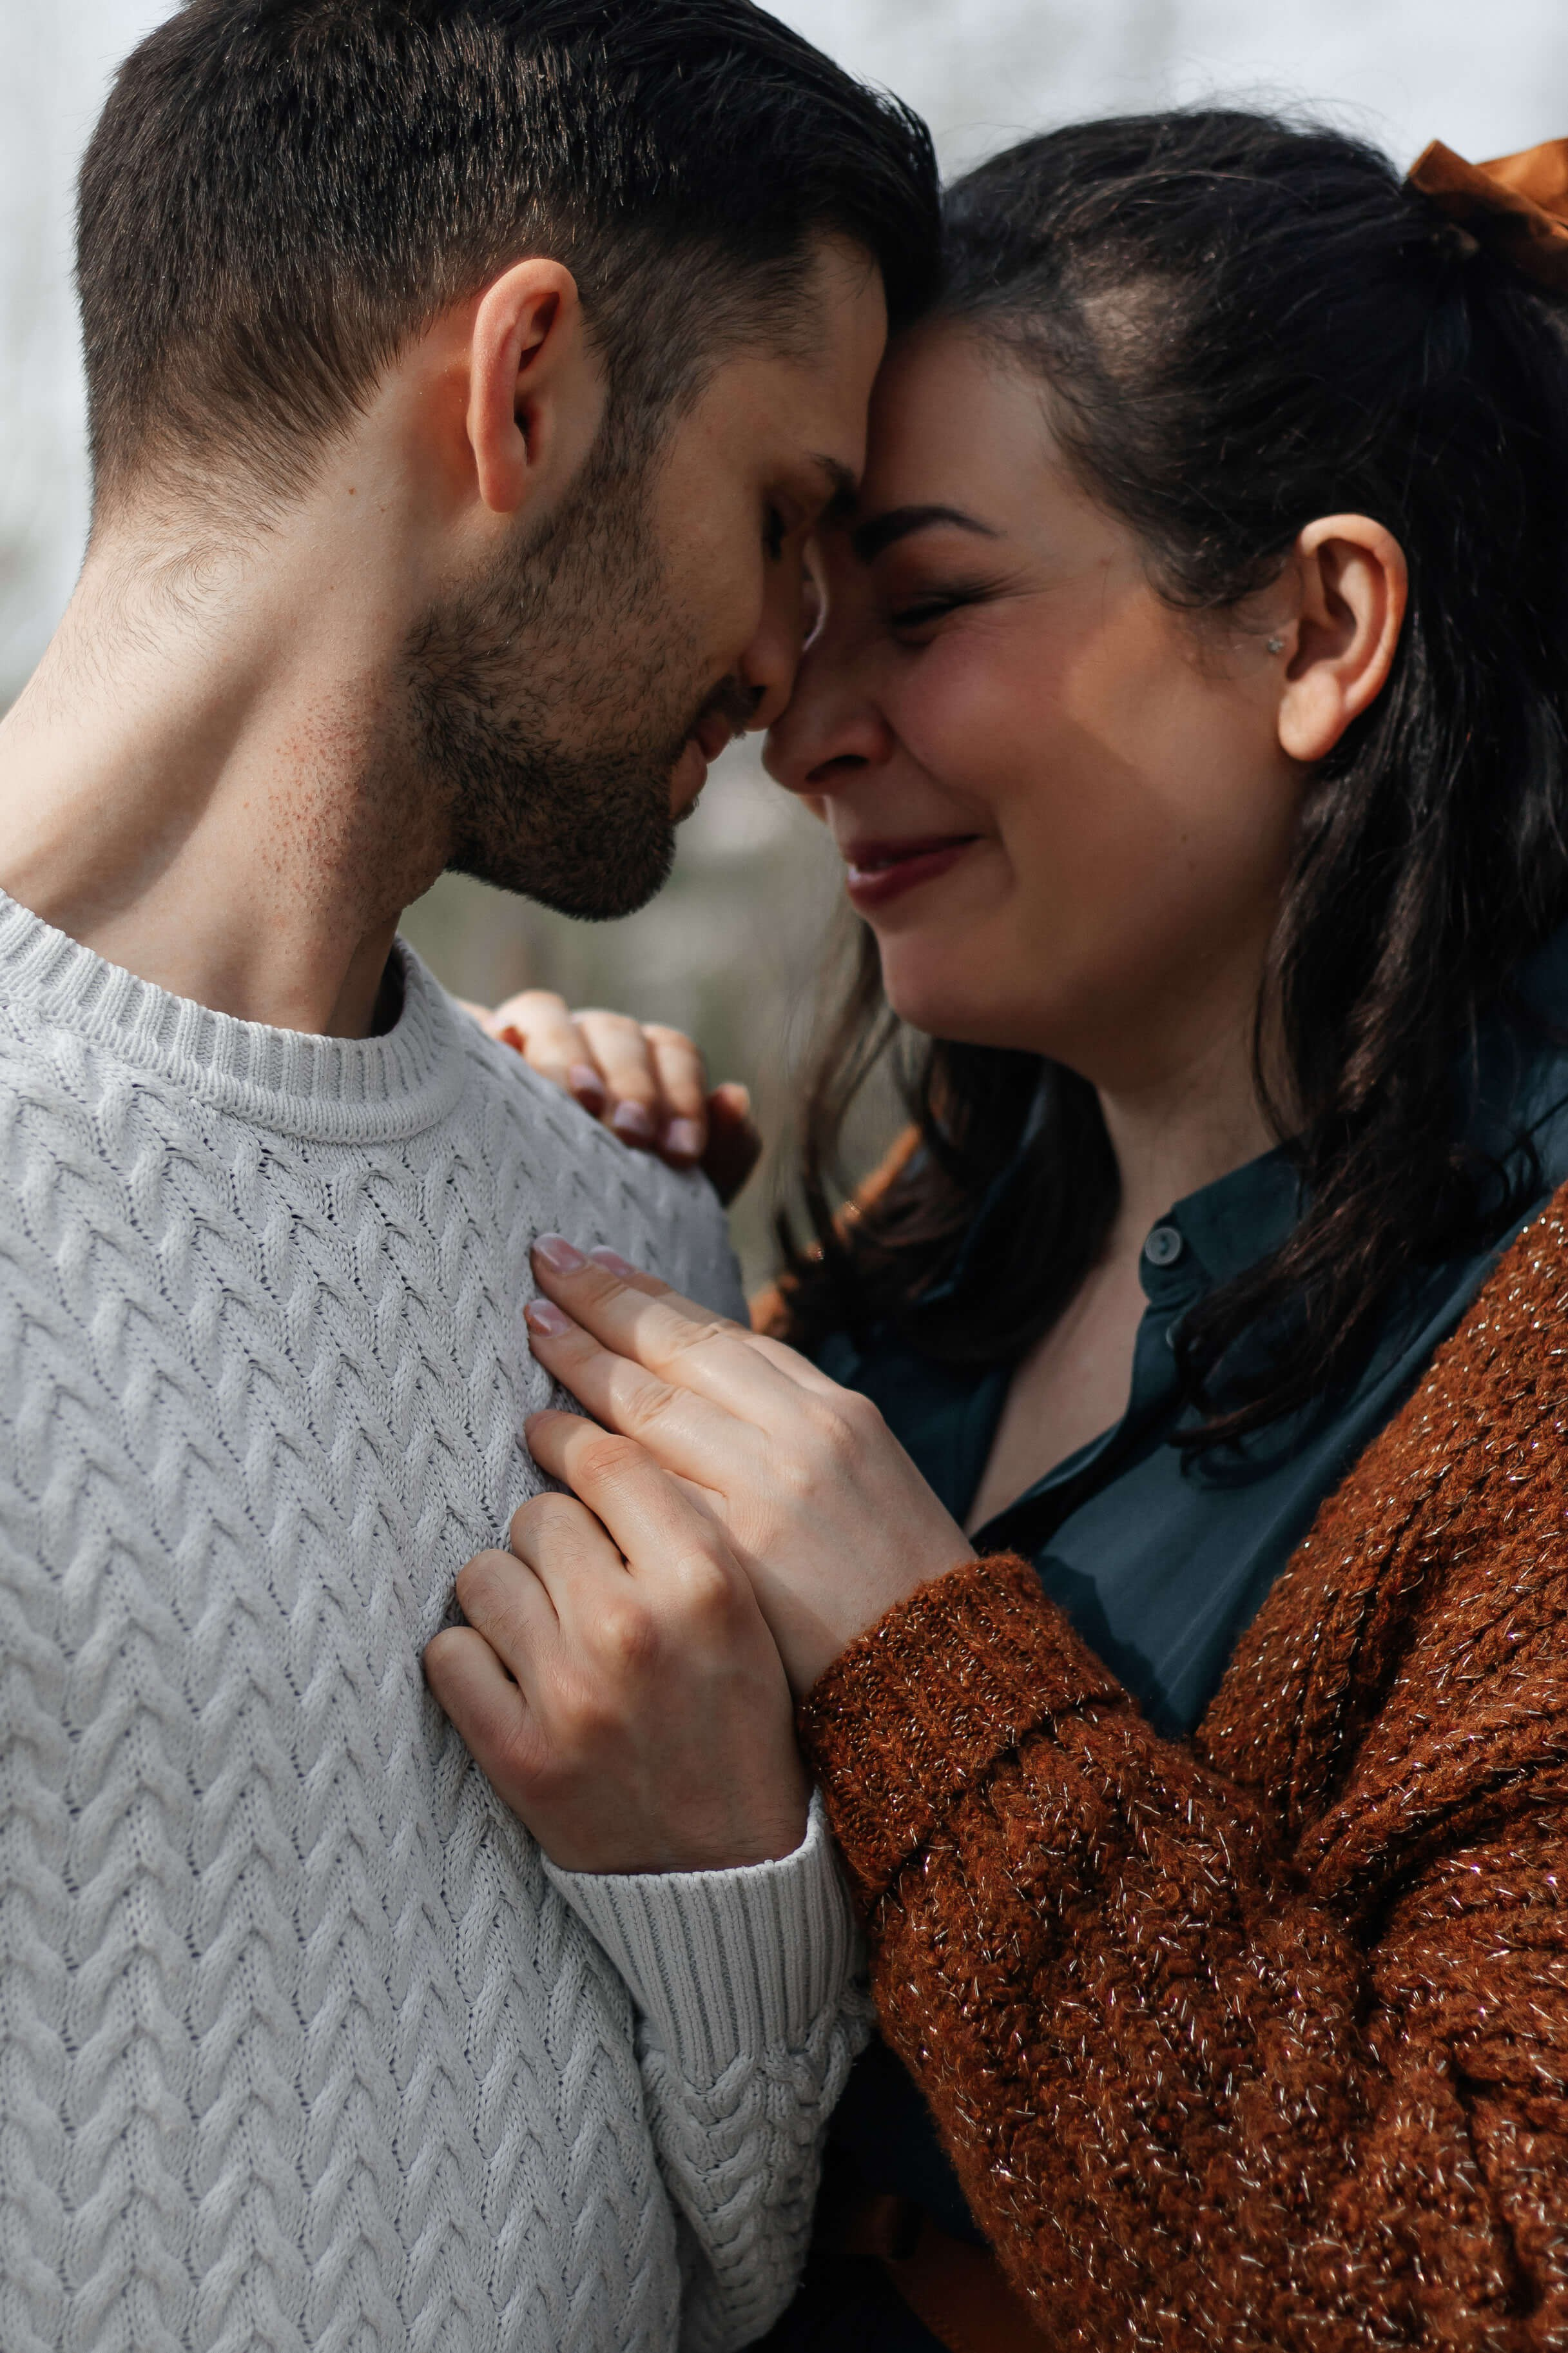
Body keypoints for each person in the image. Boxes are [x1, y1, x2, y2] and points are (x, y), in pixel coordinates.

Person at [434, 114, 1568, 2348]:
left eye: (929, 606)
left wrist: (918, 1664)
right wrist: (526, 1173)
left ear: (1322, 624)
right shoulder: (942, 1219)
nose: (805, 730)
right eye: (805, 605)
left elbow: (1480, 2290)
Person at [0, 3, 943, 2344]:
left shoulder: (623, 1241)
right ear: (524, 389)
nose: (797, 662)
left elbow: (732, 2270)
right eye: (787, 516)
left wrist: (743, 1905)